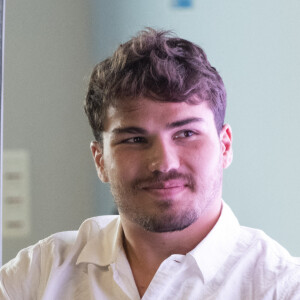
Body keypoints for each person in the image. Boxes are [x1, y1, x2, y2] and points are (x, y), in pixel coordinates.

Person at [0, 28, 299, 300]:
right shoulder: (39, 275)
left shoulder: (281, 287)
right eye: (133, 140)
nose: (163, 163)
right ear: (100, 160)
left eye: (186, 133)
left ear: (225, 145)